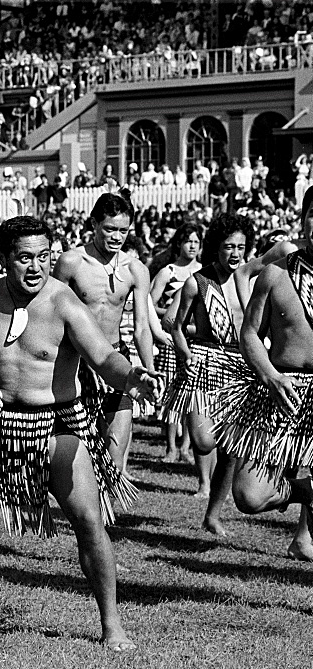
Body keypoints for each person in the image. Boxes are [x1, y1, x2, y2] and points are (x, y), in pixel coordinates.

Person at [0, 216, 157, 654]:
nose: (36, 266)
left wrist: (130, 376)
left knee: (89, 522)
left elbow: (102, 356)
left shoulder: (64, 303)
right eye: (25, 257)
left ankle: (111, 623)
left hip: (59, 422)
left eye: (43, 256)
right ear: (3, 258)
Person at [207, 206, 313, 553]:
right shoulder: (277, 274)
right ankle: (306, 491)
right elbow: (250, 333)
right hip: (281, 390)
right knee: (249, 495)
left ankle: (304, 540)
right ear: (302, 219)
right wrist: (269, 374)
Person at [53, 193, 156, 480]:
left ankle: (103, 514)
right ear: (95, 224)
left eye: (123, 230)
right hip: (77, 361)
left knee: (116, 451)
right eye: (110, 229)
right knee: (76, 450)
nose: (116, 237)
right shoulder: (72, 261)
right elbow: (48, 311)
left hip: (115, 357)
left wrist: (148, 370)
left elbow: (142, 327)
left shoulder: (136, 269)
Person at [163, 215, 251, 513]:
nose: (235, 253)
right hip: (204, 362)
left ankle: (213, 513)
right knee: (203, 441)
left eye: (241, 246)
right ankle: (206, 483)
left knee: (232, 447)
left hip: (240, 367)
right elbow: (176, 325)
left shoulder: (248, 282)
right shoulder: (196, 282)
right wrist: (185, 353)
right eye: (229, 246)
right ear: (216, 247)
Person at [149, 225, 202, 463]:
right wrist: (172, 313)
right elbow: (149, 304)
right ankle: (171, 447)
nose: (192, 245)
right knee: (173, 394)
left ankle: (186, 447)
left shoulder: (203, 272)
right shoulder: (167, 272)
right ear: (178, 243)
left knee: (193, 395)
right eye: (188, 241)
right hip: (171, 338)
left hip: (196, 339)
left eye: (196, 241)